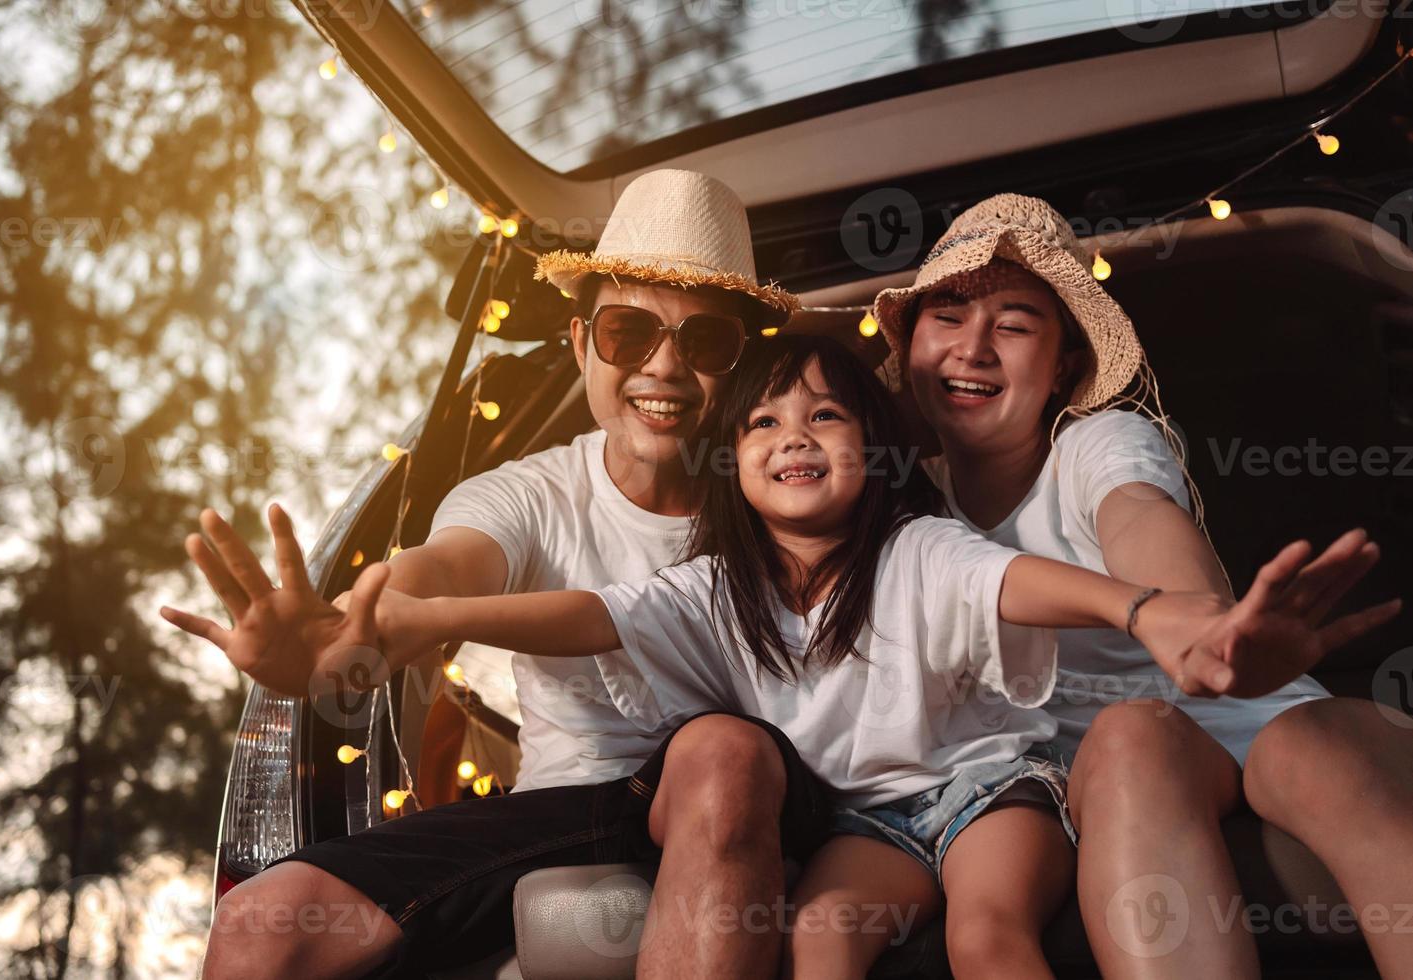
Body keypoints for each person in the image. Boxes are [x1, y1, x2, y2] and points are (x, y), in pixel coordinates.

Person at [260, 333, 1388, 979]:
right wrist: (417, 621)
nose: (794, 435)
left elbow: (1028, 584)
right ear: (731, 468)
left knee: (988, 929)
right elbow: (581, 613)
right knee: (817, 934)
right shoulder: (710, 592)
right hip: (864, 822)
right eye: (760, 423)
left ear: (875, 450)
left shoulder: (917, 550)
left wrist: (1148, 612)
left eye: (825, 417)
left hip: (987, 790)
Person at [159, 169, 811, 978]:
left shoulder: (793, 492)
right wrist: (351, 637)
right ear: (580, 344)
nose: (663, 368)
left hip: (759, 792)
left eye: (703, 341)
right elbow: (442, 571)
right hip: (576, 810)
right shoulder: (527, 493)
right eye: (627, 334)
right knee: (260, 922)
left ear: (742, 363)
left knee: (722, 750)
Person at [872, 192, 1409, 976]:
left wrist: (1200, 626)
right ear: (911, 343)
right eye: (946, 316)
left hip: (1242, 705)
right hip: (1116, 763)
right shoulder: (890, 505)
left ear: (1061, 367)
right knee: (1127, 734)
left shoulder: (1098, 442)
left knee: (1301, 745)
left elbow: (1138, 516)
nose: (974, 348)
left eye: (1014, 325)